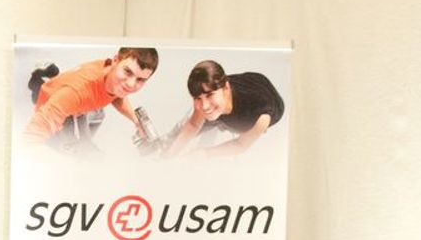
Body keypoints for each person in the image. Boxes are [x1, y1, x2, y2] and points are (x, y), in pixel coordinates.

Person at [23, 47, 159, 147]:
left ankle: (49, 76)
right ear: (115, 60)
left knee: (98, 114)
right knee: (77, 150)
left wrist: (136, 121)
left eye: (140, 79)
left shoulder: (112, 75)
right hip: (56, 105)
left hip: (72, 98)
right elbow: (31, 137)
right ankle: (37, 80)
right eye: (128, 72)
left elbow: (117, 96)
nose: (130, 84)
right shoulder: (77, 92)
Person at [164, 60, 285, 158]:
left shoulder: (260, 115)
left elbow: (240, 145)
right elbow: (193, 124)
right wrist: (170, 154)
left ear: (226, 88)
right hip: (249, 82)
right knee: (183, 128)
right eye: (197, 98)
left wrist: (205, 153)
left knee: (223, 130)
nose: (204, 106)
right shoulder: (208, 93)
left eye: (209, 95)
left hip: (263, 105)